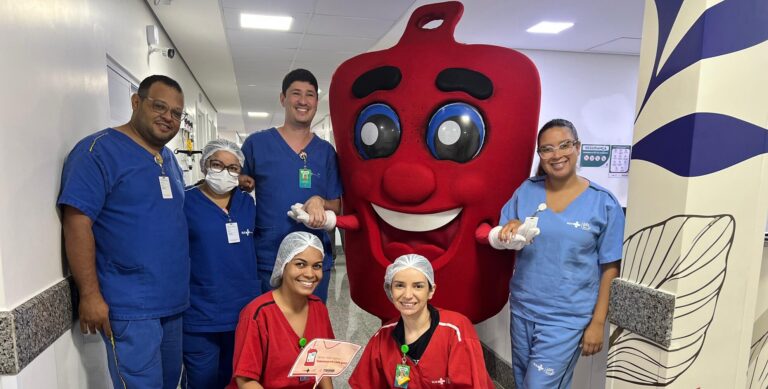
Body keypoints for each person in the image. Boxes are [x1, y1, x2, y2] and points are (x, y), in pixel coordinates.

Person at [58, 75, 189, 389]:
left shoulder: (168, 159)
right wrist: (89, 295)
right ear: (136, 102)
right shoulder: (97, 152)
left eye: (176, 113)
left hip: (172, 302)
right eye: (160, 106)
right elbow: (76, 222)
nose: (168, 117)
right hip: (130, 306)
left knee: (172, 383)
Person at [498, 118, 624, 388]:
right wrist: (509, 229)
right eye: (547, 149)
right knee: (523, 383)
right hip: (523, 310)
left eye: (564, 145)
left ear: (577, 147)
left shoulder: (603, 203)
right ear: (540, 155)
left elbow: (610, 268)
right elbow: (500, 236)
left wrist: (598, 322)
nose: (556, 155)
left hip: (566, 319)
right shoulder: (526, 191)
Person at [239, 68, 342, 302]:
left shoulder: (326, 152)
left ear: (317, 101)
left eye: (310, 94)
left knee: (311, 332)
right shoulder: (257, 144)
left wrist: (319, 201)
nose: (303, 101)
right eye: (296, 93)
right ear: (283, 99)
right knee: (269, 329)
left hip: (314, 262)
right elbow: (235, 190)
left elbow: (337, 205)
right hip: (269, 257)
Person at [181, 139, 261, 388]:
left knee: (235, 378)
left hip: (242, 311)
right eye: (217, 164)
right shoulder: (185, 203)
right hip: (201, 314)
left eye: (233, 168)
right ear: (205, 165)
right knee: (202, 381)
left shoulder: (247, 203)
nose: (225, 172)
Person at [349, 254, 495, 388]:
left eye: (418, 286)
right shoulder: (382, 338)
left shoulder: (456, 329)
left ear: (431, 291)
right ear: (390, 290)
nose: (407, 295)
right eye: (399, 285)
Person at [228, 231, 335, 389]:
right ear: (283, 265)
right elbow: (245, 381)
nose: (310, 274)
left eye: (317, 266)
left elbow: (322, 367)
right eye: (300, 264)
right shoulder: (257, 315)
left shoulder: (318, 308)